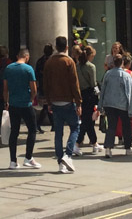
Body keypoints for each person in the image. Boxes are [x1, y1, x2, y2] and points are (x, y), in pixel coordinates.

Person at [44, 36, 83, 173]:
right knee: (75, 128)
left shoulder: (49, 62)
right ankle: (68, 154)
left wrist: (48, 102)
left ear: (56, 47)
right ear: (66, 47)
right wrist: (78, 102)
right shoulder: (69, 61)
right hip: (68, 100)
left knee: (58, 133)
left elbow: (46, 84)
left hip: (54, 101)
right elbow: (74, 83)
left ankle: (60, 161)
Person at [2, 47, 41, 169]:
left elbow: (5, 88)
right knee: (32, 130)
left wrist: (6, 101)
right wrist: (31, 98)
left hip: (13, 104)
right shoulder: (28, 69)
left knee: (14, 132)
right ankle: (28, 157)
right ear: (27, 57)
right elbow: (34, 88)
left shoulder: (8, 68)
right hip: (25, 104)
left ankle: (13, 161)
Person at [99, 54, 132, 157]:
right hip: (122, 104)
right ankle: (128, 147)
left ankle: (108, 148)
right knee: (126, 126)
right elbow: (129, 93)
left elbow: (103, 90)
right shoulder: (126, 75)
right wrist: (131, 108)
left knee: (111, 126)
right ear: (122, 63)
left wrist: (100, 105)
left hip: (109, 103)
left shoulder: (108, 74)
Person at [76, 45, 103, 153]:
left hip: (80, 93)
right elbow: (93, 83)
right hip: (89, 94)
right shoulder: (91, 67)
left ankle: (93, 142)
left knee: (86, 119)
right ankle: (80, 142)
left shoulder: (77, 66)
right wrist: (99, 95)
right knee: (87, 120)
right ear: (90, 56)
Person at [34, 43, 54, 133]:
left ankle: (53, 124)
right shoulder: (51, 61)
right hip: (49, 86)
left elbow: (37, 74)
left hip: (43, 86)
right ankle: (38, 124)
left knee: (48, 105)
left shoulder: (40, 61)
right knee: (47, 106)